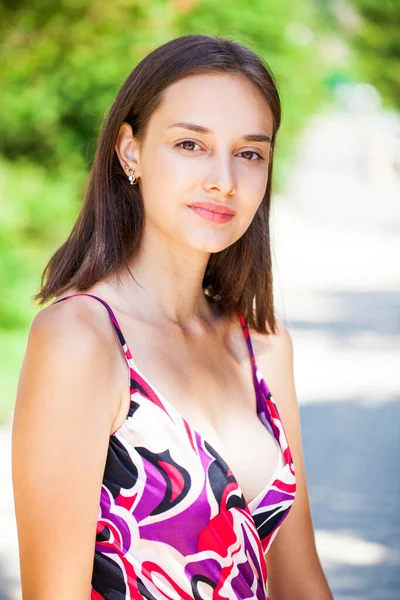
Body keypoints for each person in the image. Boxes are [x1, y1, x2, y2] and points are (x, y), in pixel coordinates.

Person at [11, 34, 333, 600]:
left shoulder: (262, 345)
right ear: (130, 150)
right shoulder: (82, 339)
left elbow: (299, 580)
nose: (223, 180)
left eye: (249, 153)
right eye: (190, 145)